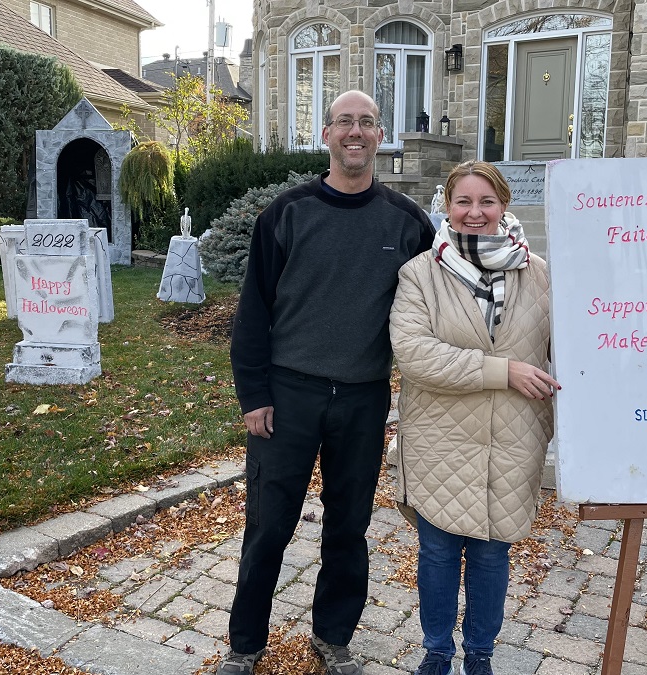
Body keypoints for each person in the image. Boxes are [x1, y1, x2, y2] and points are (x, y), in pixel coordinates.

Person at [219, 90, 435, 675]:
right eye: (345, 122)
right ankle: (245, 645)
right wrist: (254, 395)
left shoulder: (409, 223)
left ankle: (332, 637)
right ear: (326, 134)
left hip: (364, 398)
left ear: (380, 135)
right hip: (289, 396)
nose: (355, 132)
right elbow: (253, 313)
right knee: (268, 525)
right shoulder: (286, 214)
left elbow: (440, 302)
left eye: (366, 122)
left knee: (349, 525)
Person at [389, 161, 560, 675]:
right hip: (440, 437)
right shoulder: (421, 273)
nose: (474, 212)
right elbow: (414, 353)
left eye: (486, 201)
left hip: (514, 436)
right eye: (463, 202)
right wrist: (502, 371)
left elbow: (570, 346)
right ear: (447, 207)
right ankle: (437, 652)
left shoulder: (541, 273)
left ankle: (480, 655)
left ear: (503, 205)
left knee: (490, 558)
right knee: (438, 555)